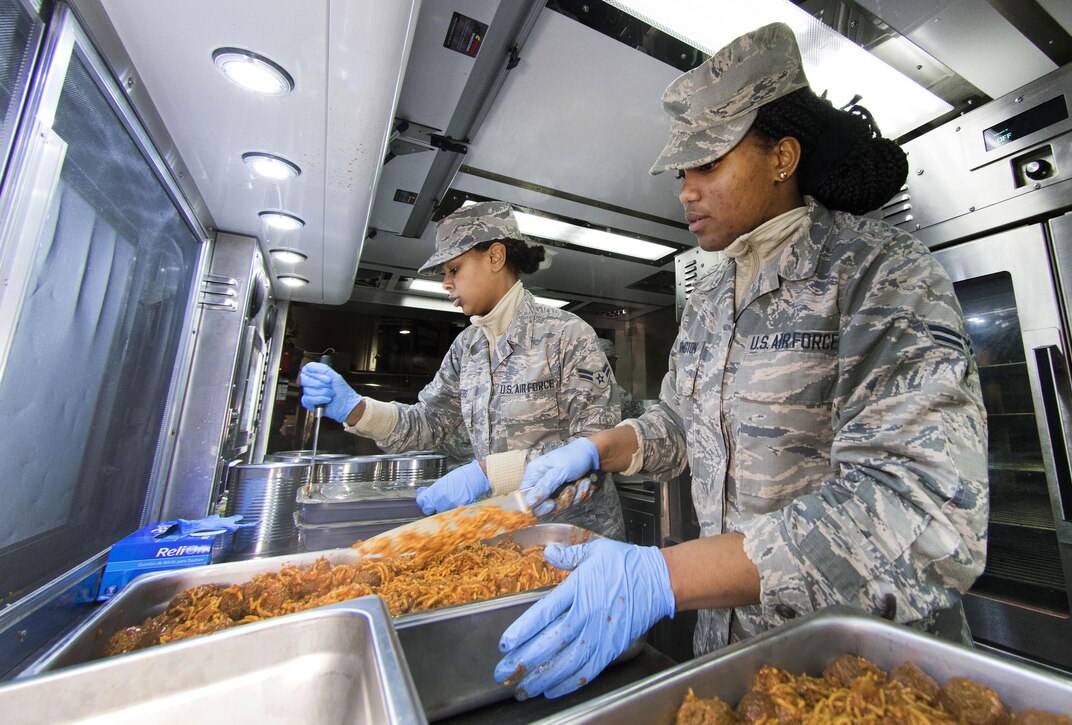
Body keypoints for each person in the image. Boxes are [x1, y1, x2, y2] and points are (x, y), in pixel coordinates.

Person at [492, 22, 988, 700]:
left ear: (782, 156)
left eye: (708, 165)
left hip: (856, 671)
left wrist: (666, 576)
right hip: (731, 656)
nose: (685, 191)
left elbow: (925, 511)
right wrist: (599, 448)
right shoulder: (712, 294)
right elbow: (679, 422)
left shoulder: (878, 273)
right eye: (681, 173)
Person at [299, 201, 626, 539]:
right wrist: (355, 408)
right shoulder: (467, 348)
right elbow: (427, 422)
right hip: (508, 536)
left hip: (579, 535)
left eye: (453, 269)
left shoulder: (565, 335)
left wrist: (488, 473)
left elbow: (600, 445)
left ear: (495, 257)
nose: (445, 283)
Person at [596, 337, 645, 420]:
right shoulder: (619, 395)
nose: (615, 366)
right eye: (613, 361)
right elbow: (641, 422)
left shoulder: (576, 389)